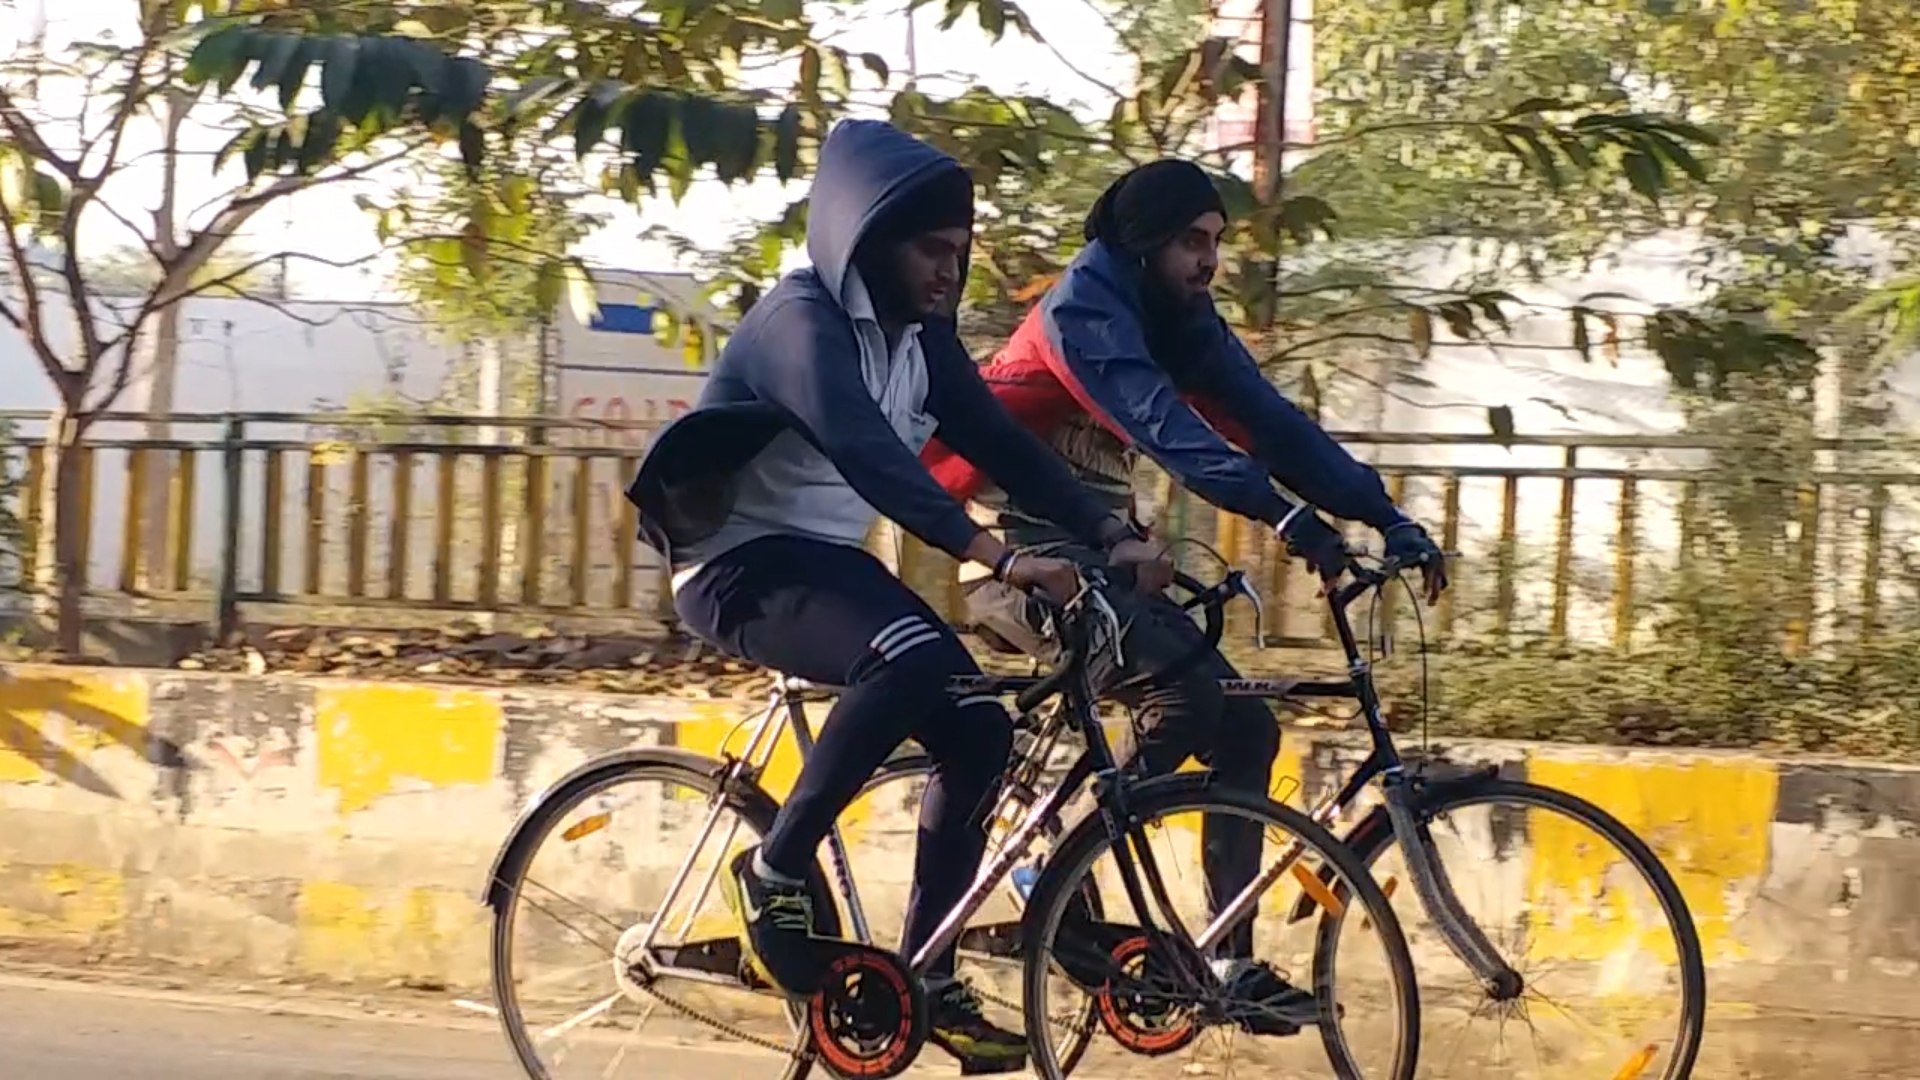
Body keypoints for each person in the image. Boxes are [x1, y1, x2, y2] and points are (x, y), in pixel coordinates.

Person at [625, 118, 1172, 1070]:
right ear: (867, 242)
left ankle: (930, 970)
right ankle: (774, 865)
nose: (948, 272)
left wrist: (1110, 532)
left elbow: (1004, 448)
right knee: (913, 659)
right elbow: (871, 455)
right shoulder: (799, 321)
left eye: (961, 253)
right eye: (931, 248)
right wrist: (999, 559)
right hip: (740, 568)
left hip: (832, 565)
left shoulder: (924, 340)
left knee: (979, 726)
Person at [920, 159, 1449, 1034]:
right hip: (1016, 565)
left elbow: (1271, 422)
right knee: (1185, 693)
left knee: (1247, 725)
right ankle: (1059, 863)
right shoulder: (1083, 310)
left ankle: (1226, 957)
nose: (1209, 262)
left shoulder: (1179, 315)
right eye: (1193, 243)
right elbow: (1166, 429)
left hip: (1107, 561)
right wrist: (1290, 521)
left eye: (1216, 244)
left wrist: (1383, 515)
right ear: (1142, 243)